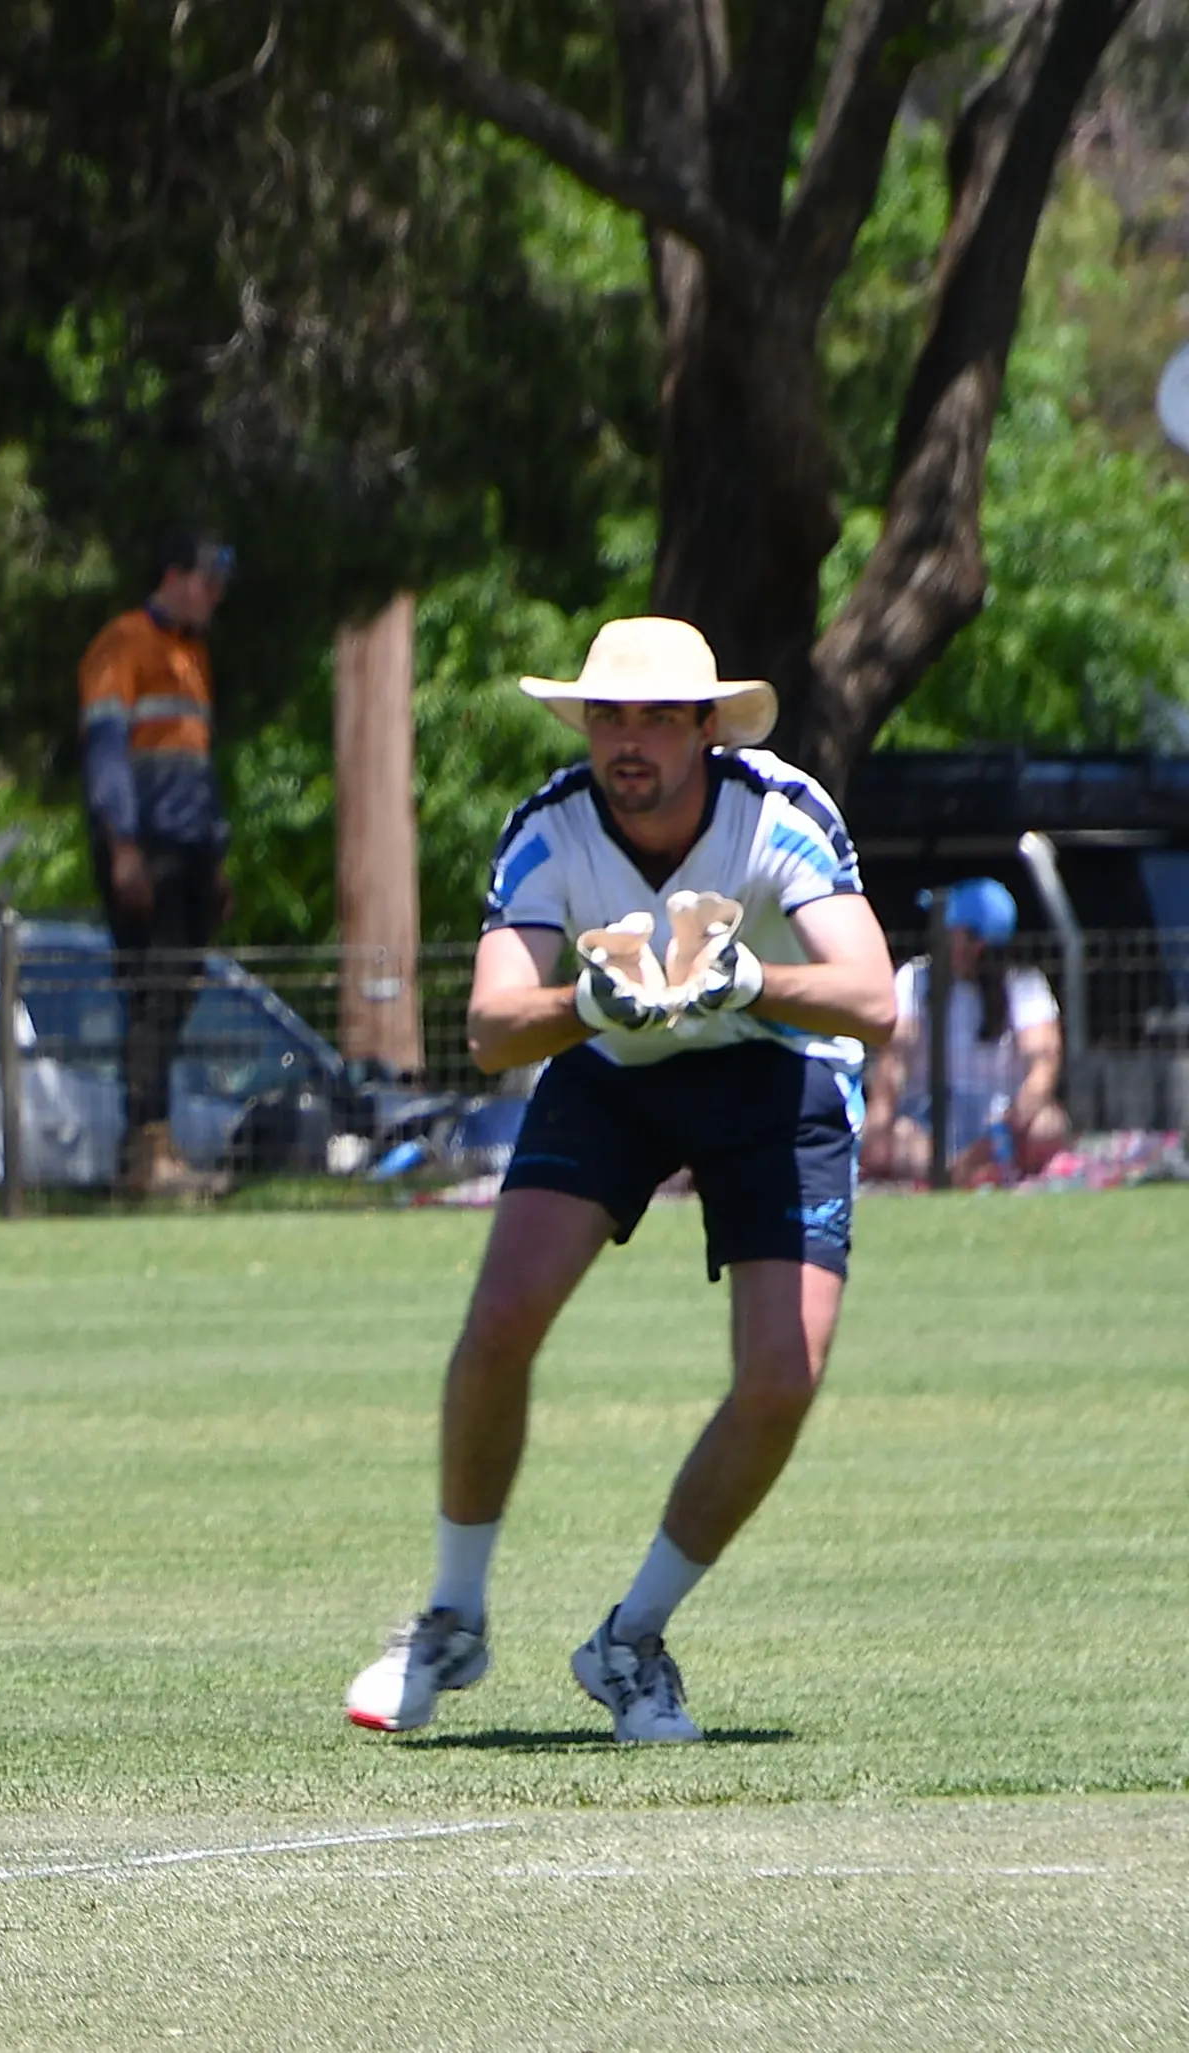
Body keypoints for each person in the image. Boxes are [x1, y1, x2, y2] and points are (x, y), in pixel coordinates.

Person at [342, 616, 895, 1744]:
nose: (628, 739)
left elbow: (875, 1001)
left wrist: (748, 979)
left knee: (782, 1377)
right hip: (616, 1070)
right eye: (609, 715)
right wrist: (588, 1005)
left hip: (772, 1073)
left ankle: (630, 1642)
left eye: (654, 716)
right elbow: (494, 1028)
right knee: (499, 1318)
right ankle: (452, 1618)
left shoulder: (777, 811)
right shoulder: (549, 828)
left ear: (705, 727)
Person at [79, 530, 236, 1199]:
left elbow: (195, 765)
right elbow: (107, 752)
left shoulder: (193, 656)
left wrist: (216, 856)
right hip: (146, 852)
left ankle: (155, 1148)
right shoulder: (123, 643)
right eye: (207, 581)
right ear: (173, 574)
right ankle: (146, 1154)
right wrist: (122, 848)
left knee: (174, 1000)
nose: (215, 597)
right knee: (151, 997)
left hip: (190, 848)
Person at [860, 880, 1067, 1184]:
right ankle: (958, 1174)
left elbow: (1043, 1069)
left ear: (973, 943)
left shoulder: (1024, 985)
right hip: (929, 1119)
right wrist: (878, 1123)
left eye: (948, 927)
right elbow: (894, 1059)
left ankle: (969, 1172)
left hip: (1002, 1122)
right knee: (897, 1141)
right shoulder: (914, 979)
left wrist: (992, 1141)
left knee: (1048, 1127)